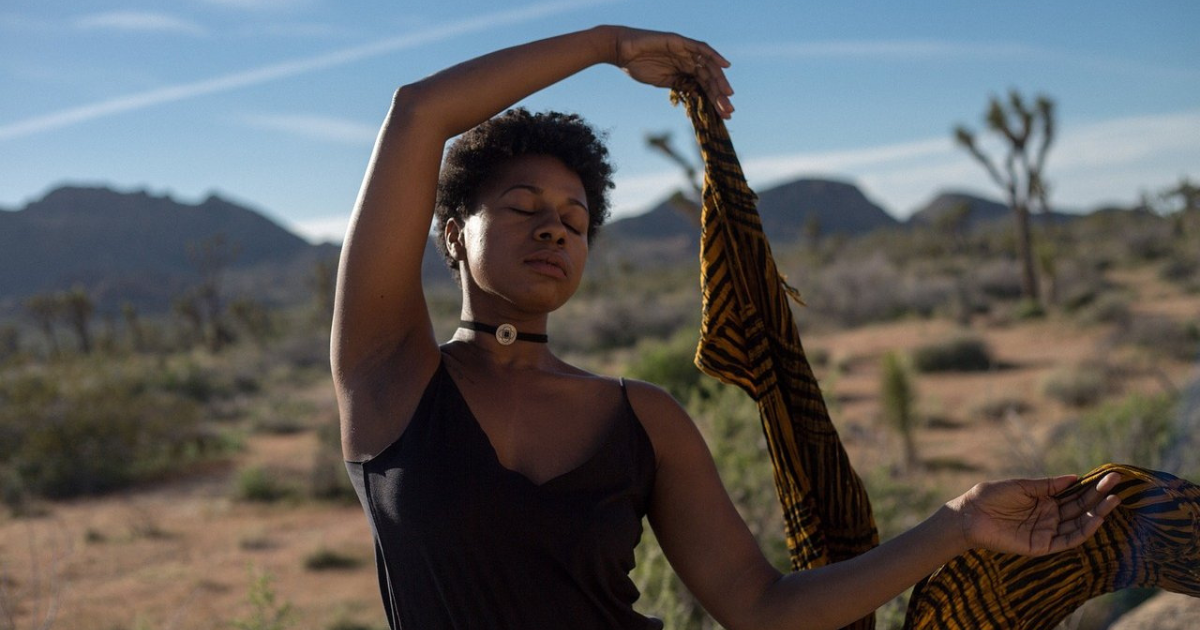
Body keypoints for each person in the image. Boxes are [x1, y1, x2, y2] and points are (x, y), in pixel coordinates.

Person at [332, 25, 1123, 630]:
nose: (554, 231)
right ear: (452, 234)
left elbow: (762, 606)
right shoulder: (390, 376)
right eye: (523, 208)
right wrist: (611, 45)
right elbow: (417, 112)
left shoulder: (642, 419)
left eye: (575, 221)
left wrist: (960, 524)